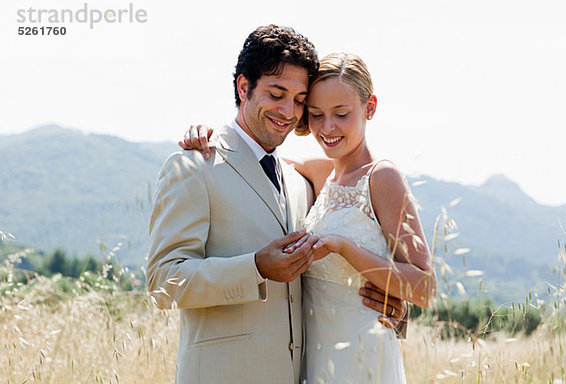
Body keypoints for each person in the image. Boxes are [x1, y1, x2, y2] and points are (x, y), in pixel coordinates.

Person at [147, 25, 407, 384]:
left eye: (300, 100)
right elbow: (164, 279)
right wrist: (255, 268)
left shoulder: (303, 182)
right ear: (243, 87)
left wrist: (392, 306)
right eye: (276, 93)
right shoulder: (193, 167)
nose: (288, 111)